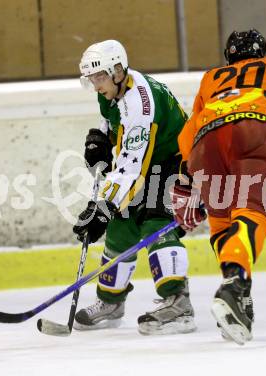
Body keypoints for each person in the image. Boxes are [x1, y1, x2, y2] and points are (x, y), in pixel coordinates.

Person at [169, 29, 266, 345]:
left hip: (206, 142)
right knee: (254, 213)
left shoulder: (211, 78)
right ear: (263, 52)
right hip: (257, 129)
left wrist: (188, 181)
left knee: (223, 221)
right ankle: (235, 284)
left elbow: (189, 135)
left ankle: (236, 295)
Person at [72, 40, 196, 335]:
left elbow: (130, 168)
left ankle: (178, 303)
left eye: (99, 77)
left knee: (155, 221)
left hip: (178, 161)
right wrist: (101, 139)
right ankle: (111, 303)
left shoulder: (140, 104)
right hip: (150, 160)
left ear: (117, 70)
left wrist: (101, 208)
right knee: (122, 222)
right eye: (91, 79)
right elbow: (112, 120)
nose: (95, 84)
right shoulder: (113, 88)